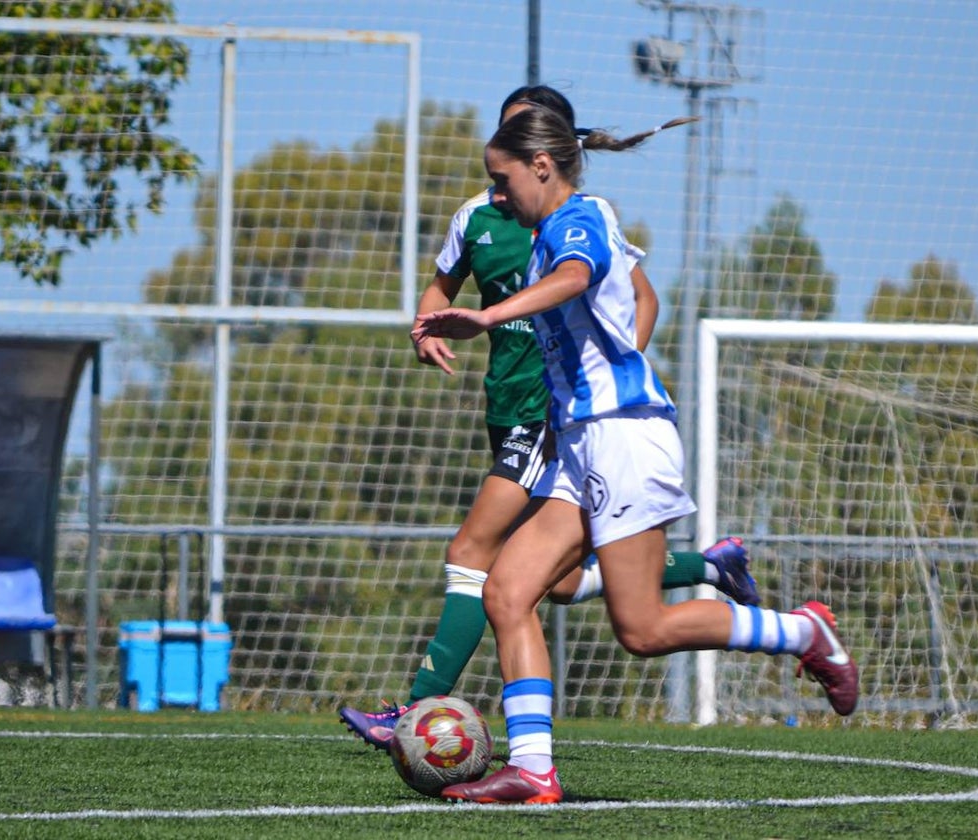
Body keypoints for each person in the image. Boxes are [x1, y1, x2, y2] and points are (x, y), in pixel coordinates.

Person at [412, 105, 859, 804]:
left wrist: (492, 313)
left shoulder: (578, 216)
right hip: (581, 443)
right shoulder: (537, 237)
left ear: (541, 167)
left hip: (622, 435)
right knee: (507, 592)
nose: (496, 197)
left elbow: (579, 273)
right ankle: (534, 769)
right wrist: (466, 325)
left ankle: (803, 632)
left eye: (501, 182)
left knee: (642, 629)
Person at [339, 86, 759, 751]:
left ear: (544, 155)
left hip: (550, 413)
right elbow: (441, 287)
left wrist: (603, 381)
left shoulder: (577, 219)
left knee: (473, 553)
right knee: (558, 583)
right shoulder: (478, 216)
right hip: (505, 407)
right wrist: (425, 329)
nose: (501, 177)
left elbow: (636, 297)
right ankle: (710, 567)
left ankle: (416, 711)